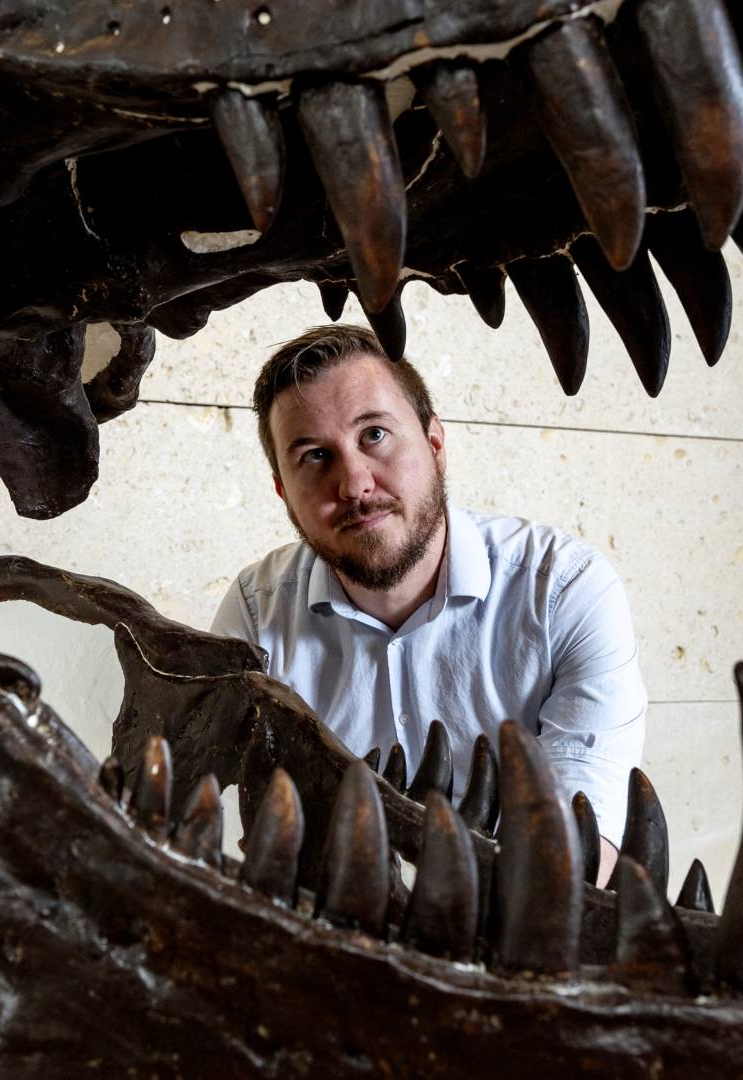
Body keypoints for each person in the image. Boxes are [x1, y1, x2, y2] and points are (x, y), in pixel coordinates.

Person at [210, 324, 647, 884]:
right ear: (282, 493)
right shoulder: (254, 613)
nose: (354, 483)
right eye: (315, 456)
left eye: (374, 435)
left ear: (435, 446)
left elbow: (579, 853)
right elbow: (266, 837)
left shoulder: (566, 591)